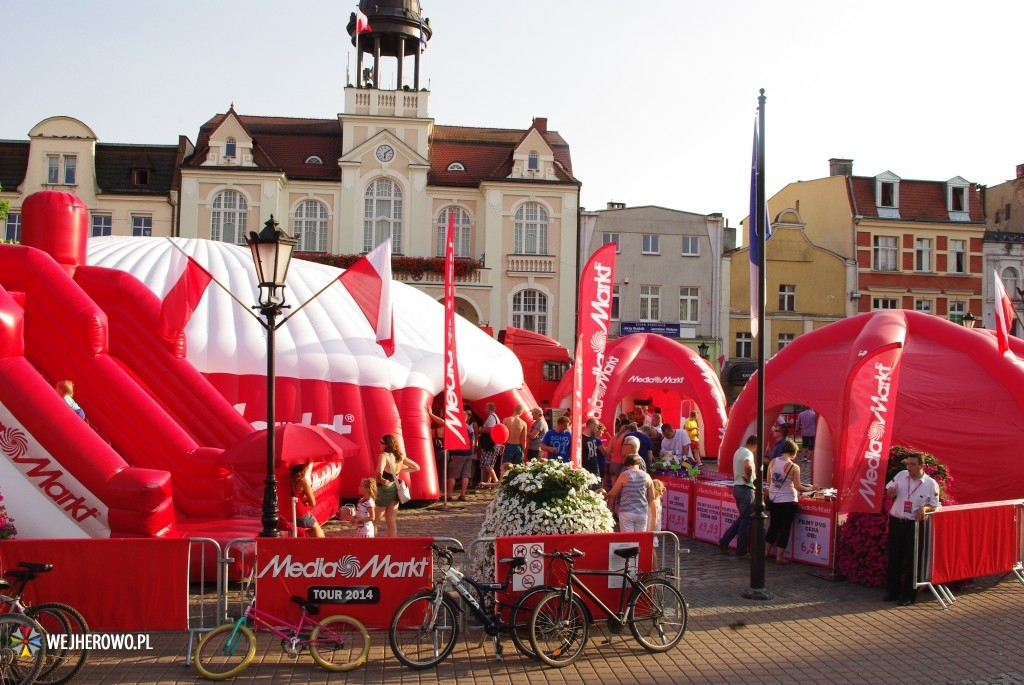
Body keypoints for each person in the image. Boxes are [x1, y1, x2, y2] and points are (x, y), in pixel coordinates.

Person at [883, 453, 940, 606]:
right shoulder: (902, 475)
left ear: (922, 466)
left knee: (912, 559)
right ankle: (892, 590)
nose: (909, 468)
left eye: (913, 465)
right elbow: (890, 487)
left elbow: (934, 505)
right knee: (894, 556)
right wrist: (890, 492)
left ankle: (909, 594)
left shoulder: (930, 484)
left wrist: (925, 508)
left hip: (913, 524)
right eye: (908, 464)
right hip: (897, 520)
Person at [764, 439, 818, 563]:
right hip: (788, 500)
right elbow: (799, 487)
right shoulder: (794, 467)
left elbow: (769, 481)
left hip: (773, 499)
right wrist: (812, 488)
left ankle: (765, 552)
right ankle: (779, 557)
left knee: (773, 526)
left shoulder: (772, 462)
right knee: (785, 528)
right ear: (793, 452)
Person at [718, 434, 758, 559]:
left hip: (737, 488)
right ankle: (741, 551)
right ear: (755, 445)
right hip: (746, 488)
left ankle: (725, 541)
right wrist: (750, 476)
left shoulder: (738, 451)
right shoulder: (748, 453)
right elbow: (748, 466)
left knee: (743, 518)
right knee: (745, 521)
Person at [374, 434, 421, 537]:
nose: (380, 444)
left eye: (382, 443)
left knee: (374, 521)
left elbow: (378, 472)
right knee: (391, 521)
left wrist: (381, 480)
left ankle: (372, 544)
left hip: (385, 488)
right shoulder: (400, 456)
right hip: (396, 487)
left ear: (387, 444)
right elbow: (416, 467)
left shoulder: (383, 456)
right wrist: (399, 471)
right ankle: (392, 545)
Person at [606, 453, 657, 533]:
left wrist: (605, 495)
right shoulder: (647, 476)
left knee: (628, 540)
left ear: (626, 464)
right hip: (642, 513)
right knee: (640, 539)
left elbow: (613, 493)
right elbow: (652, 497)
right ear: (639, 463)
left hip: (626, 512)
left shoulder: (624, 475)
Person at [286, 463, 324, 538]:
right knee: (317, 529)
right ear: (304, 467)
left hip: (286, 514)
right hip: (299, 513)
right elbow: (313, 503)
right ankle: (322, 547)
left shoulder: (285, 478)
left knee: (295, 531)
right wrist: (306, 500)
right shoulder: (303, 481)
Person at [447, 408, 476, 501]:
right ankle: (462, 494)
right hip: (467, 452)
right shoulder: (469, 428)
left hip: (458, 453)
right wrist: (471, 451)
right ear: (466, 418)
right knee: (465, 475)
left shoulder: (456, 427)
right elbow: (473, 441)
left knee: (452, 475)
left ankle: (449, 495)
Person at [500, 404, 528, 475]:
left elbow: (502, 435)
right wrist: (522, 450)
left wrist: (501, 446)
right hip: (518, 447)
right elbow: (524, 439)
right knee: (517, 469)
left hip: (508, 446)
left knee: (505, 468)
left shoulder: (506, 420)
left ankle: (504, 484)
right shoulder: (523, 423)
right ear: (521, 412)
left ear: (514, 409)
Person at [477, 402, 501, 487]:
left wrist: (481, 429)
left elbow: (491, 429)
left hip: (490, 445)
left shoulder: (491, 417)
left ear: (489, 409)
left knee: (486, 463)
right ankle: (488, 482)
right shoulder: (496, 417)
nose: (484, 409)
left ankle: (495, 480)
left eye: (485, 408)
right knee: (490, 464)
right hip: (495, 444)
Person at [581, 417, 608, 483]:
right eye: (596, 426)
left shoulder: (593, 436)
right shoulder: (582, 438)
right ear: (592, 426)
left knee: (598, 490)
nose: (597, 429)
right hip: (586, 470)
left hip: (596, 469)